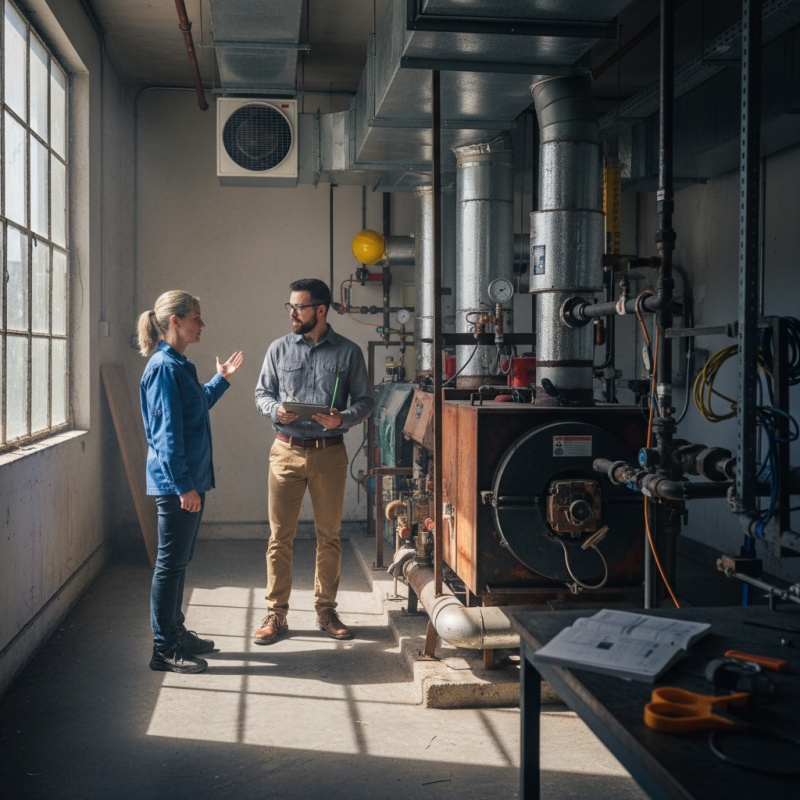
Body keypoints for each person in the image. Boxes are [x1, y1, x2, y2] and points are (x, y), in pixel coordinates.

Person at [254, 278, 374, 644]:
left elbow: (366, 402)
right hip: (285, 450)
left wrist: (344, 418)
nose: (292, 313)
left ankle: (326, 611)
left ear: (321, 310)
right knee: (280, 537)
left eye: (299, 307)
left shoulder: (349, 353)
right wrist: (275, 409)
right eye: (290, 307)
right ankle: (277, 614)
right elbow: (262, 393)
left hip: (328, 453)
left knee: (329, 537)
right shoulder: (278, 349)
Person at [138, 291, 244, 674]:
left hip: (188, 481)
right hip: (176, 485)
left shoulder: (179, 364)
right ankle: (164, 648)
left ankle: (175, 632)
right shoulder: (164, 367)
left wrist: (221, 380)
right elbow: (167, 437)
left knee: (178, 562)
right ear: (175, 322)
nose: (202, 324)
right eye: (196, 317)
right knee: (169, 564)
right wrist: (184, 487)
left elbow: (194, 407)